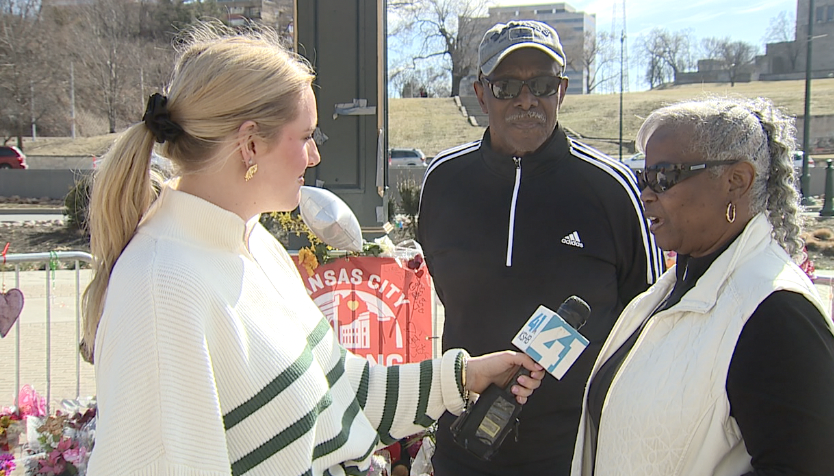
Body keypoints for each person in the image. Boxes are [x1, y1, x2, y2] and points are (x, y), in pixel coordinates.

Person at [80, 23, 545, 476]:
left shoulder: (255, 245)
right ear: (250, 144)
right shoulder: (160, 290)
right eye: (306, 137)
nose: (316, 156)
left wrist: (465, 377)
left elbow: (344, 393)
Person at [417, 20, 663, 476]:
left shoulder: (611, 188)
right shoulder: (443, 181)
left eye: (543, 85)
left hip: (573, 452)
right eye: (507, 86)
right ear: (481, 92)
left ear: (562, 91)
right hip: (463, 443)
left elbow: (648, 321)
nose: (526, 100)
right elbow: (445, 290)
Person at [570, 96, 834, 476]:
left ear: (736, 181)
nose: (647, 193)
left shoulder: (778, 314)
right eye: (644, 176)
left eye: (665, 176)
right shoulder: (669, 290)